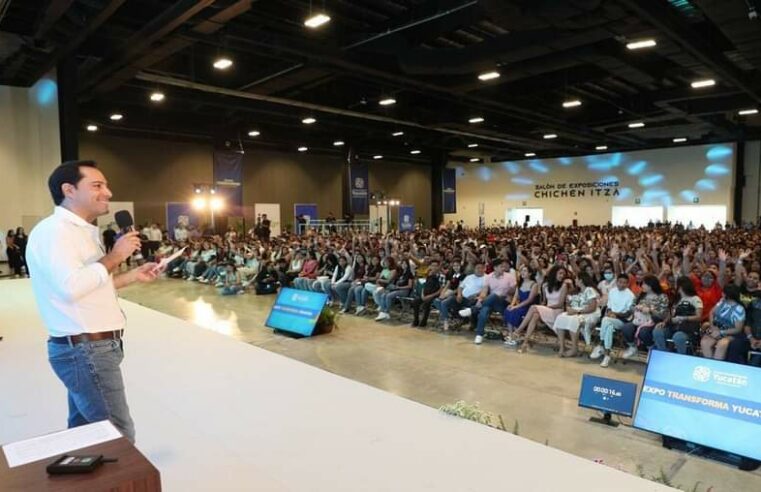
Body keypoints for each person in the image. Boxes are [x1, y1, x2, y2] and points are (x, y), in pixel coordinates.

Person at [26, 160, 161, 443]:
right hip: (86, 350)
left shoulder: (80, 231)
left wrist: (133, 275)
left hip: (92, 348)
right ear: (69, 190)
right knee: (118, 437)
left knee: (85, 436)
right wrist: (115, 257)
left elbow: (91, 286)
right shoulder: (55, 232)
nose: (108, 193)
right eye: (97, 185)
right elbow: (70, 288)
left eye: (106, 185)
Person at [590, 274, 635, 368]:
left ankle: (601, 344)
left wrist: (616, 315)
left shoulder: (631, 295)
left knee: (606, 320)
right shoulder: (612, 291)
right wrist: (610, 313)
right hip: (611, 319)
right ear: (617, 282)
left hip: (622, 321)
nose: (622, 284)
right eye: (620, 282)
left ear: (627, 284)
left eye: (624, 283)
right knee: (608, 326)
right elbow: (609, 307)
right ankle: (607, 356)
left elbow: (628, 314)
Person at [620, 275, 670, 359]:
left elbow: (663, 314)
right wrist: (637, 308)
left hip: (653, 321)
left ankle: (651, 348)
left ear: (650, 285)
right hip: (639, 319)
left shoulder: (662, 296)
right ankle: (632, 347)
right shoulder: (641, 294)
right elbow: (631, 306)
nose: (642, 286)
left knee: (643, 332)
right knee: (626, 328)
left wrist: (650, 310)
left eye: (644, 284)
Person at [469, 259, 517, 345]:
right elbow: (484, 291)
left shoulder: (510, 277)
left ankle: (473, 309)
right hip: (491, 302)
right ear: (495, 268)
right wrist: (480, 299)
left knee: (493, 296)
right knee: (485, 309)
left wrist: (507, 291)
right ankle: (479, 335)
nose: (503, 268)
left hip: (504, 302)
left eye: (503, 266)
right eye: (501, 266)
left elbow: (515, 292)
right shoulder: (488, 277)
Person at [552, 272, 600, 357]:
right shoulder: (576, 291)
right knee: (560, 317)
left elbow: (592, 307)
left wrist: (577, 312)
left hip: (589, 313)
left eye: (576, 279)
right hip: (576, 312)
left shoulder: (589, 290)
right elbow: (569, 304)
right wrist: (569, 308)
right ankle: (562, 347)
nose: (575, 280)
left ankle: (574, 349)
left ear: (581, 280)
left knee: (573, 320)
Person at [652, 276, 703, 354]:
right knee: (657, 331)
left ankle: (681, 357)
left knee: (678, 336)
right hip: (673, 327)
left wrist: (683, 318)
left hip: (687, 329)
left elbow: (699, 317)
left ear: (681, 286)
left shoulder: (695, 299)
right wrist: (664, 322)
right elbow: (671, 313)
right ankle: (662, 353)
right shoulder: (677, 299)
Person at [700, 284, 745, 360]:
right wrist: (713, 327)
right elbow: (711, 313)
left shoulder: (739, 309)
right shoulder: (721, 302)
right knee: (705, 342)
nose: (722, 294)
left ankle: (717, 366)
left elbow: (738, 329)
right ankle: (709, 364)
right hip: (716, 328)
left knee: (722, 344)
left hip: (729, 332)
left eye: (723, 292)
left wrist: (721, 332)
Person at [503, 264, 539, 345]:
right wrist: (512, 305)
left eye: (525, 271)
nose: (522, 272)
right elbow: (516, 296)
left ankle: (516, 335)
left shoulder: (534, 285)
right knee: (508, 310)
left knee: (516, 312)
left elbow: (530, 300)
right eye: (522, 271)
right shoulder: (520, 283)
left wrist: (516, 306)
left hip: (528, 307)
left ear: (530, 273)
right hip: (519, 305)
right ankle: (511, 334)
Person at [411, 260, 442, 328]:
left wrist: (430, 296)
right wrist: (422, 294)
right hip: (425, 295)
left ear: (438, 267)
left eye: (435, 266)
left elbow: (440, 290)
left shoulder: (441, 276)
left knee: (427, 303)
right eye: (432, 265)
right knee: (415, 302)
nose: (434, 267)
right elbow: (424, 285)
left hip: (435, 295)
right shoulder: (428, 274)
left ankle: (424, 321)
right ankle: (416, 320)